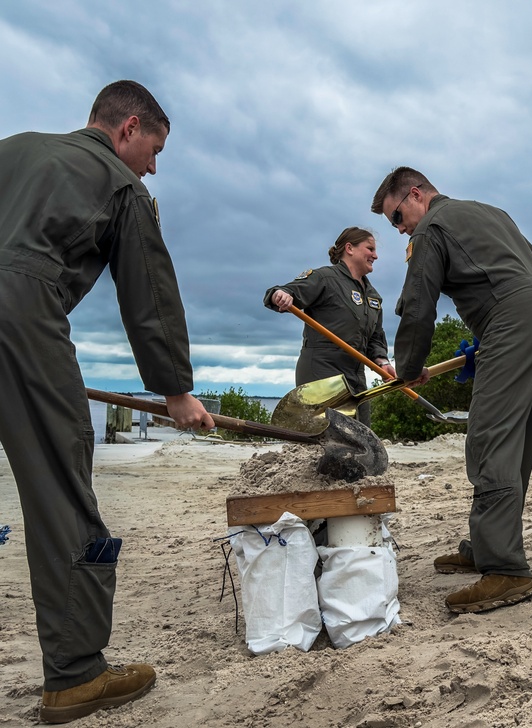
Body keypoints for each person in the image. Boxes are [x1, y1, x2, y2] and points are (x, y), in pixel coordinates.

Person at [0, 80, 214, 723]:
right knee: (62, 487)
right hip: (20, 312)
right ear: (127, 129)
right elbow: (148, 290)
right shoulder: (121, 185)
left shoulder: (13, 149)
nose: (154, 165)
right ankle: (74, 674)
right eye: (154, 148)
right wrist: (175, 389)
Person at [371, 167, 532, 614]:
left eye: (397, 217)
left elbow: (419, 306)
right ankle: (488, 545)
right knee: (516, 439)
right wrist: (503, 329)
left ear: (415, 195)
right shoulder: (489, 212)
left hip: (514, 324)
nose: (399, 229)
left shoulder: (433, 228)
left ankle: (505, 570)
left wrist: (411, 367)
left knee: (488, 439)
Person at [264, 227, 396, 426]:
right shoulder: (325, 278)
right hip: (322, 371)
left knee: (363, 436)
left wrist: (382, 361)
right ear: (350, 248)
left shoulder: (373, 295)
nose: (375, 255)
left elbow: (376, 336)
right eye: (370, 249)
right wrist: (280, 295)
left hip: (356, 373)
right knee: (330, 436)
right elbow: (285, 291)